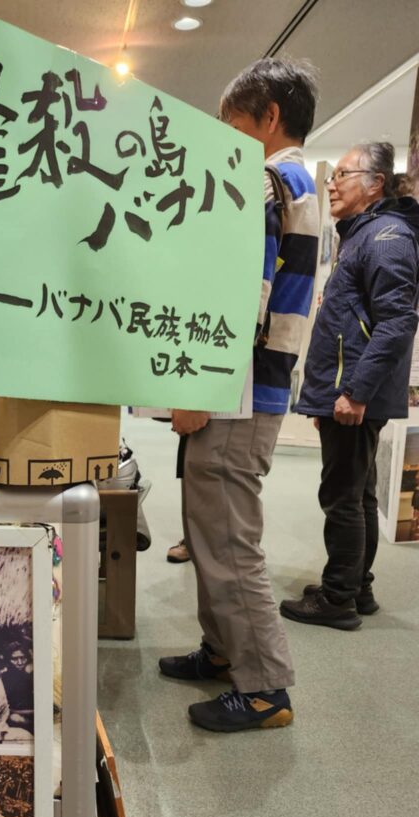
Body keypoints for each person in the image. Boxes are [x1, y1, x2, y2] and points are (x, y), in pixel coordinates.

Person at [158, 58, 320, 732]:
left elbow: (239, 294)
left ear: (268, 117)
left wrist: (199, 385)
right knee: (211, 525)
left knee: (227, 536)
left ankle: (264, 688)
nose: (225, 136)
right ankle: (224, 650)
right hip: (259, 382)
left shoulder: (263, 182)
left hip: (239, 388)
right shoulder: (302, 183)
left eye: (232, 123)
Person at [281, 143, 419, 628]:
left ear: (376, 183)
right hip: (348, 389)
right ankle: (356, 588)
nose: (332, 184)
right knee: (359, 495)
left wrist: (355, 393)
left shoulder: (385, 237)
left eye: (343, 174)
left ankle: (338, 599)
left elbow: (397, 323)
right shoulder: (366, 234)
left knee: (342, 497)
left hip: (353, 392)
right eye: (333, 174)